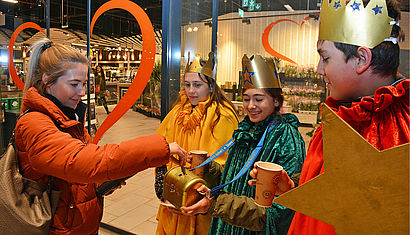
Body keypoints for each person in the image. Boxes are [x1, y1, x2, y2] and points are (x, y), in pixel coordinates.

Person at [250, 0, 409, 234]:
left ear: (362, 60)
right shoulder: (340, 114)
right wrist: (296, 188)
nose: (318, 69)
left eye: (325, 58)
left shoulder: (398, 130)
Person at [15, 39, 187, 234]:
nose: (81, 92)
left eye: (83, 84)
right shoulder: (34, 123)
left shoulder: (68, 118)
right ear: (47, 80)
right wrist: (159, 148)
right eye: (74, 84)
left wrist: (103, 182)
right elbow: (82, 161)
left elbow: (83, 169)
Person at [182, 55, 306, 235]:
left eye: (259, 99)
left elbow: (281, 208)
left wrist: (216, 204)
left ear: (277, 101)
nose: (251, 106)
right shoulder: (246, 131)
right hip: (229, 221)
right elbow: (234, 179)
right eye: (247, 99)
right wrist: (208, 168)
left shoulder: (286, 138)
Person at [155, 52, 239, 235]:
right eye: (187, 85)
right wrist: (164, 189)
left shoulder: (221, 116)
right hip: (173, 194)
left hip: (202, 201)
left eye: (197, 85)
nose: (191, 91)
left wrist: (192, 197)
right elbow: (161, 148)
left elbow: (223, 165)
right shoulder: (177, 112)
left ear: (210, 86)